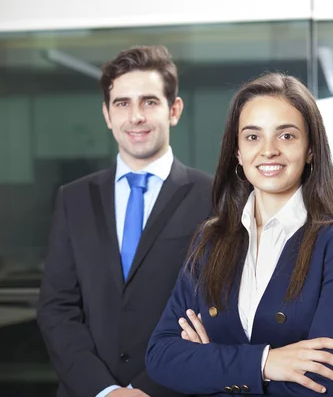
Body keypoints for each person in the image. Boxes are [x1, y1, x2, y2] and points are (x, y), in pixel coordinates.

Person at [145, 73, 333, 396]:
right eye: (253, 137)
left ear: (310, 149)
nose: (268, 151)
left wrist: (209, 363)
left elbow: (324, 382)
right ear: (237, 152)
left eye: (287, 136)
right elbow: (161, 357)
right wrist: (266, 362)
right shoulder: (210, 240)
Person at [37, 45, 213, 397]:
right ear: (107, 114)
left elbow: (215, 306)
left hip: (175, 389)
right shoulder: (73, 198)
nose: (135, 116)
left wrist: (144, 389)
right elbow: (57, 307)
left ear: (173, 110)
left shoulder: (213, 197)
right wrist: (105, 390)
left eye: (149, 102)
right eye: (122, 103)